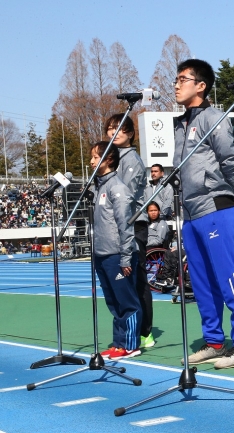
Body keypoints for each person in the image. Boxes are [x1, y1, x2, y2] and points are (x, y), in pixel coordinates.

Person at [173, 58, 234, 369]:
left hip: (216, 207)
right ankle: (214, 341)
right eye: (176, 79)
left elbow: (231, 162)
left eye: (183, 79)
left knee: (229, 277)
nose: (176, 85)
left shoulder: (214, 117)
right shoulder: (181, 124)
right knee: (201, 282)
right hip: (191, 213)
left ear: (201, 85)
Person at [104, 113, 155, 349]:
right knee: (122, 281)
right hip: (116, 225)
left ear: (131, 134)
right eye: (110, 129)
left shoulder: (131, 160)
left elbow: (127, 197)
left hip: (134, 223)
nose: (113, 133)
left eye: (119, 129)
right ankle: (126, 331)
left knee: (137, 278)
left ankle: (144, 331)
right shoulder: (109, 157)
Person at [91, 141, 141, 360]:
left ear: (108, 159)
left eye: (95, 157)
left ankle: (131, 345)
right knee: (113, 302)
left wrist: (126, 257)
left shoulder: (117, 187)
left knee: (126, 301)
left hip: (117, 254)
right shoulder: (98, 186)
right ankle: (119, 342)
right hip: (101, 254)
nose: (91, 161)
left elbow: (125, 224)